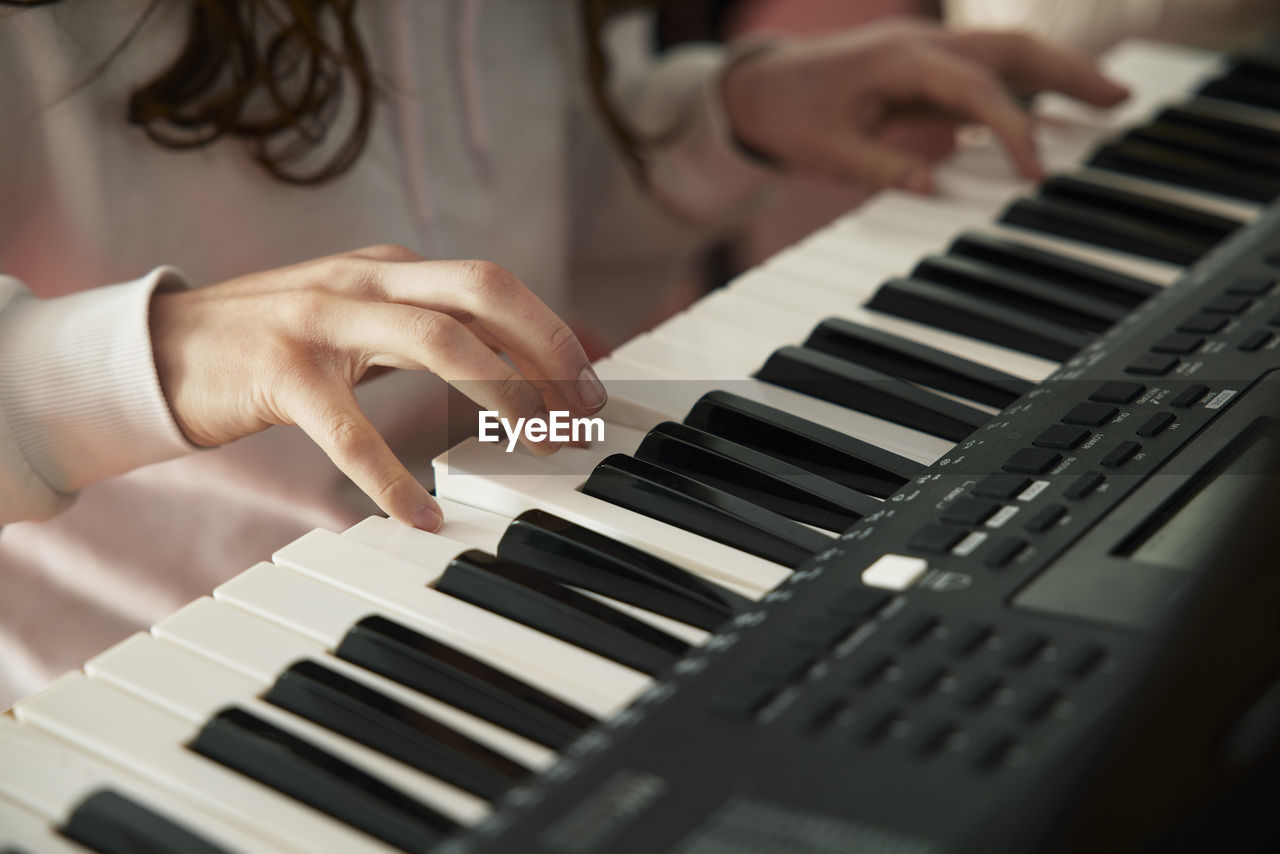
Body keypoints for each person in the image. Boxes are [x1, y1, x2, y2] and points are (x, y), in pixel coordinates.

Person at [0, 0, 1126, 706]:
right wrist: (152, 352)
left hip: (522, 545)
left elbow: (521, 203)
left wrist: (719, 114)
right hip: (169, 677)